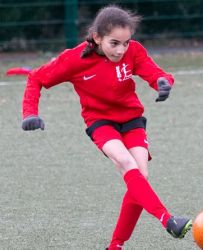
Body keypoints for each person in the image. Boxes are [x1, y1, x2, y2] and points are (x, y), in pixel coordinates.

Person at [21, 5, 192, 250]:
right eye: (114, 43)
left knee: (140, 178)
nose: (121, 50)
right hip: (101, 123)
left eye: (126, 43)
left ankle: (115, 246)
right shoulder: (75, 59)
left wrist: (163, 83)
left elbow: (155, 73)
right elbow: (36, 77)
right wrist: (30, 113)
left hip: (132, 120)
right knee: (126, 163)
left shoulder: (133, 51)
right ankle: (168, 219)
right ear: (97, 37)